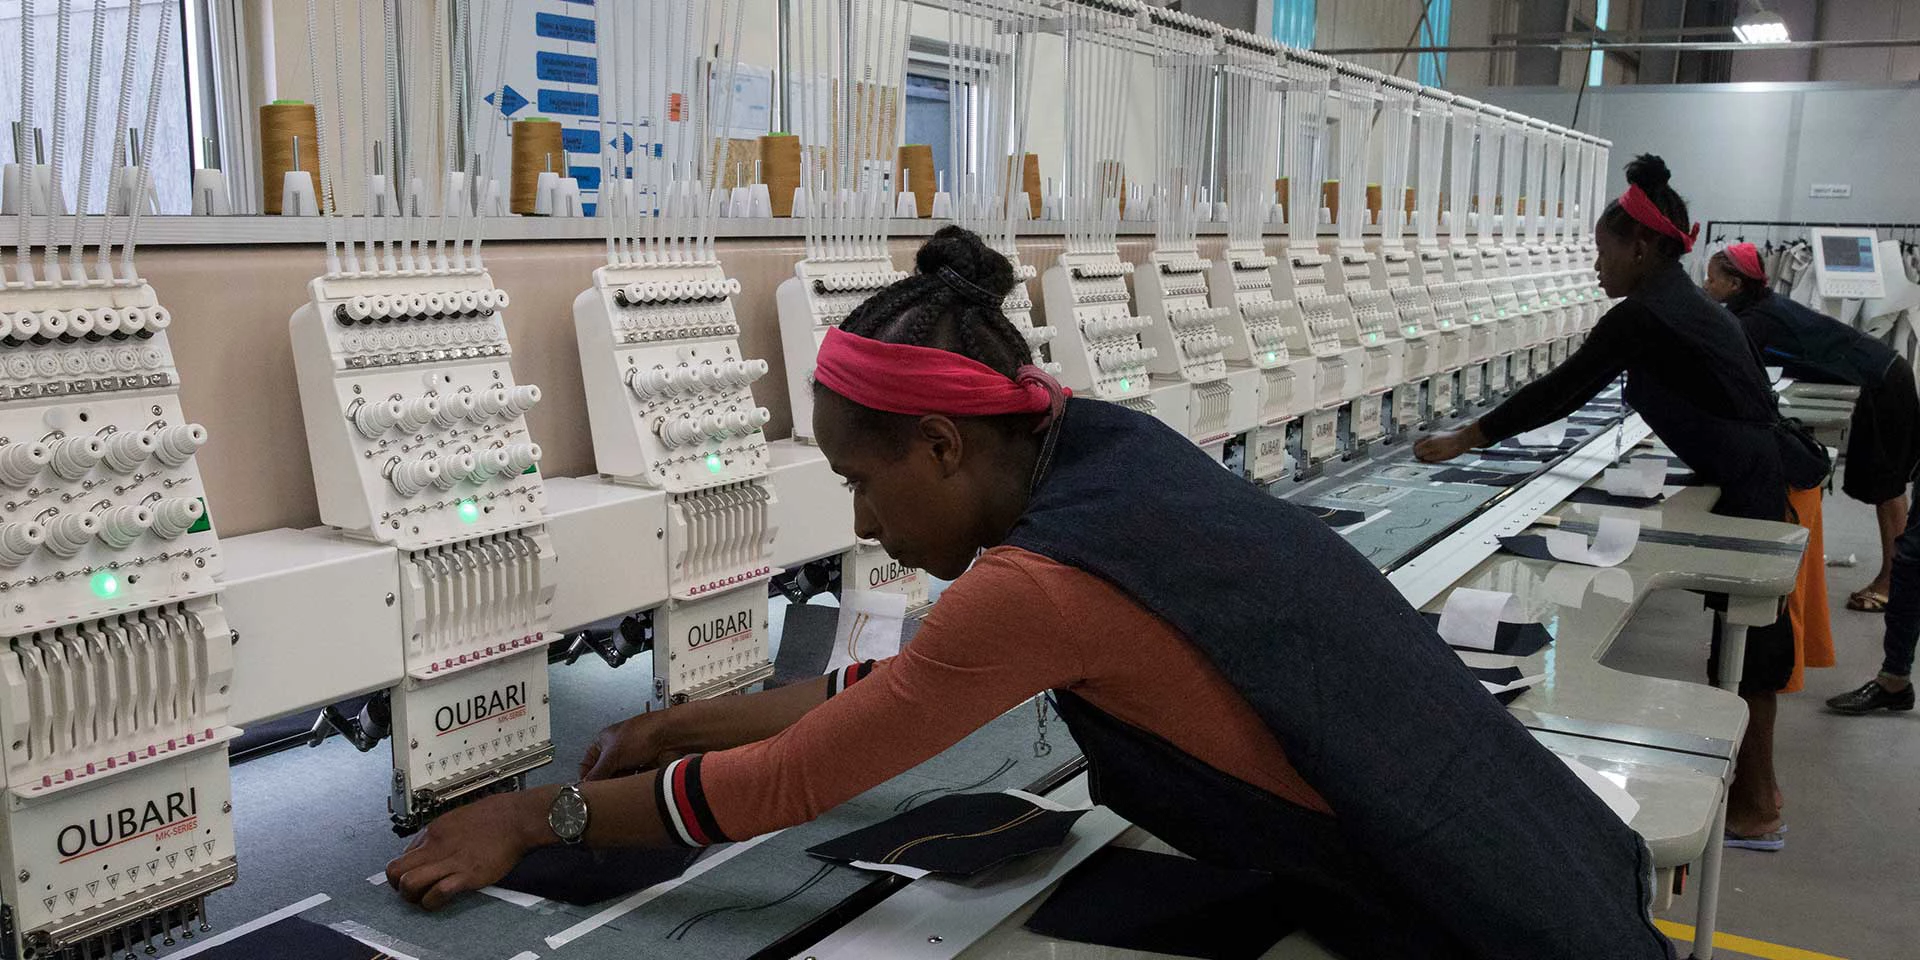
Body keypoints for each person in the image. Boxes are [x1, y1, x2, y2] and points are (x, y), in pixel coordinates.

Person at [386, 227, 1673, 959]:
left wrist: (539, 815)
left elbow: (797, 786)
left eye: (861, 480)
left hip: (1467, 921)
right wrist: (672, 727)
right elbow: (901, 691)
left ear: (943, 448)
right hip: (1526, 848)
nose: (860, 520)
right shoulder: (1111, 449)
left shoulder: (1041, 579)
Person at [1416, 156, 1827, 853]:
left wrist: (1465, 439)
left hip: (1762, 489)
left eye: (1602, 252)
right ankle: (1761, 798)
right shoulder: (1684, 305)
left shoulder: (1644, 316)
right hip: (1762, 475)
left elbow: (1563, 389)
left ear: (1640, 247)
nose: (1596, 268)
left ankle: (1756, 809)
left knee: (1748, 655)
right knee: (1743, 652)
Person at [1704, 242, 1920, 614]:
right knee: (1885, 485)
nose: (1706, 286)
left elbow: (1727, 365)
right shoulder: (1762, 307)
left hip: (1882, 382)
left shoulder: (1756, 320)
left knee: (1888, 487)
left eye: (1711, 279)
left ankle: (1894, 582)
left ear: (1735, 284)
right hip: (1880, 377)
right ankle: (1896, 578)